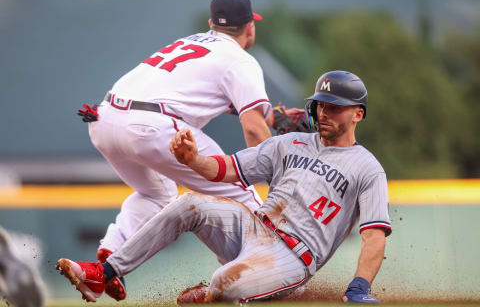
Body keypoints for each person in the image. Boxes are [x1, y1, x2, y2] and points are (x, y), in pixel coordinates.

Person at [57, 70, 392, 304]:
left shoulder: (367, 168)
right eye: (321, 104)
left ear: (358, 115)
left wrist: (360, 285)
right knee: (190, 204)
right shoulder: (290, 143)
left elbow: (374, 234)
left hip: (293, 255)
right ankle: (104, 271)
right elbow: (230, 168)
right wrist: (193, 161)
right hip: (253, 227)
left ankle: (215, 294)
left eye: (334, 107)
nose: (324, 112)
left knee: (223, 283)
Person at [76, 0, 304, 301]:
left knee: (156, 193)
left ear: (212, 24)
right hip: (151, 126)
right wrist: (282, 179)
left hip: (104, 119)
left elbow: (215, 96)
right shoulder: (240, 60)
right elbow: (252, 128)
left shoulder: (192, 42)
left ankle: (106, 259)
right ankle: (260, 281)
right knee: (239, 190)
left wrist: (271, 115)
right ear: (251, 27)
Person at [0, 226, 45, 307]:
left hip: (23, 271)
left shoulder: (10, 256)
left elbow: (4, 238)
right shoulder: (9, 279)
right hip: (18, 279)